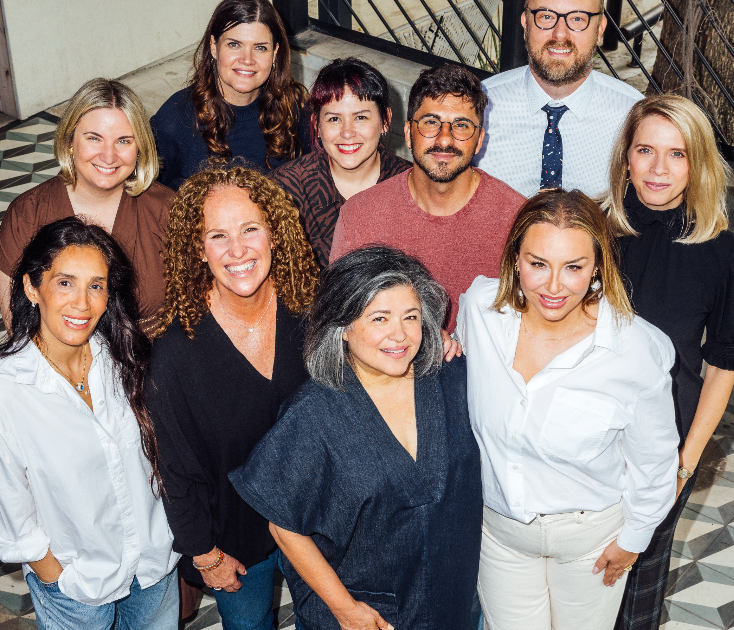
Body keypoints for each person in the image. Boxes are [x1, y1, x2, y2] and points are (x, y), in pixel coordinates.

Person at [456, 189, 679, 630]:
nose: (554, 286)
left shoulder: (635, 348)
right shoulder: (479, 310)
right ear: (514, 259)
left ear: (597, 267)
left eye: (574, 267)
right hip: (499, 535)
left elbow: (654, 461)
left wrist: (634, 540)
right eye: (537, 264)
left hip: (591, 543)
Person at [230, 246, 482, 630]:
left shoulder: (451, 380)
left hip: (451, 600)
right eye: (379, 318)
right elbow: (283, 525)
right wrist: (346, 610)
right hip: (361, 612)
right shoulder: (314, 412)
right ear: (344, 327)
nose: (399, 335)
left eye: (410, 317)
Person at [144, 161, 318, 630]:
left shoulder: (314, 313)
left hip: (316, 527)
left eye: (250, 229)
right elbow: (175, 471)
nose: (237, 249)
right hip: (234, 544)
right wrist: (203, 553)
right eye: (217, 235)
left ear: (275, 234)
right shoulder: (175, 354)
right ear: (197, 249)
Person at [0, 218, 179, 629]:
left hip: (154, 570)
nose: (82, 303)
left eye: (96, 285)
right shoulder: (9, 392)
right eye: (65, 283)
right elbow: (12, 511)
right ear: (31, 287)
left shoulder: (125, 359)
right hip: (78, 591)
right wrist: (57, 578)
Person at [601, 95, 734, 630]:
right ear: (625, 159)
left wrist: (685, 461)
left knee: (639, 583)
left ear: (697, 163)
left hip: (666, 442)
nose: (659, 169)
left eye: (677, 154)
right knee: (584, 577)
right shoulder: (588, 227)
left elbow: (724, 364)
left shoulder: (721, 250)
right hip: (584, 433)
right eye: (646, 151)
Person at [330, 63, 525, 332]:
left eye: (461, 125)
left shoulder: (517, 219)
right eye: (431, 123)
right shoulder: (359, 218)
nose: (445, 139)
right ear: (409, 133)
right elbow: (342, 326)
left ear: (479, 140)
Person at [0, 78, 173, 334]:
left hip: (154, 363)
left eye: (124, 141)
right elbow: (16, 318)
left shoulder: (169, 210)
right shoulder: (27, 214)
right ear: (70, 141)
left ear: (140, 148)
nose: (109, 156)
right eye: (94, 138)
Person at [475, 0, 643, 198]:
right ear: (526, 24)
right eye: (546, 16)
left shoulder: (632, 115)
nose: (560, 33)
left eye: (577, 19)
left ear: (600, 30)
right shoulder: (479, 106)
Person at [151, 0, 308, 190]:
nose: (247, 59)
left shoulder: (293, 107)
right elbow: (144, 200)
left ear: (275, 53)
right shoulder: (175, 120)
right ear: (214, 47)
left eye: (260, 48)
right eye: (234, 45)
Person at [270, 58, 410, 268]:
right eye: (334, 119)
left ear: (386, 121)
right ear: (316, 125)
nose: (347, 132)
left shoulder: (413, 187)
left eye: (361, 117)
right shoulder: (285, 189)